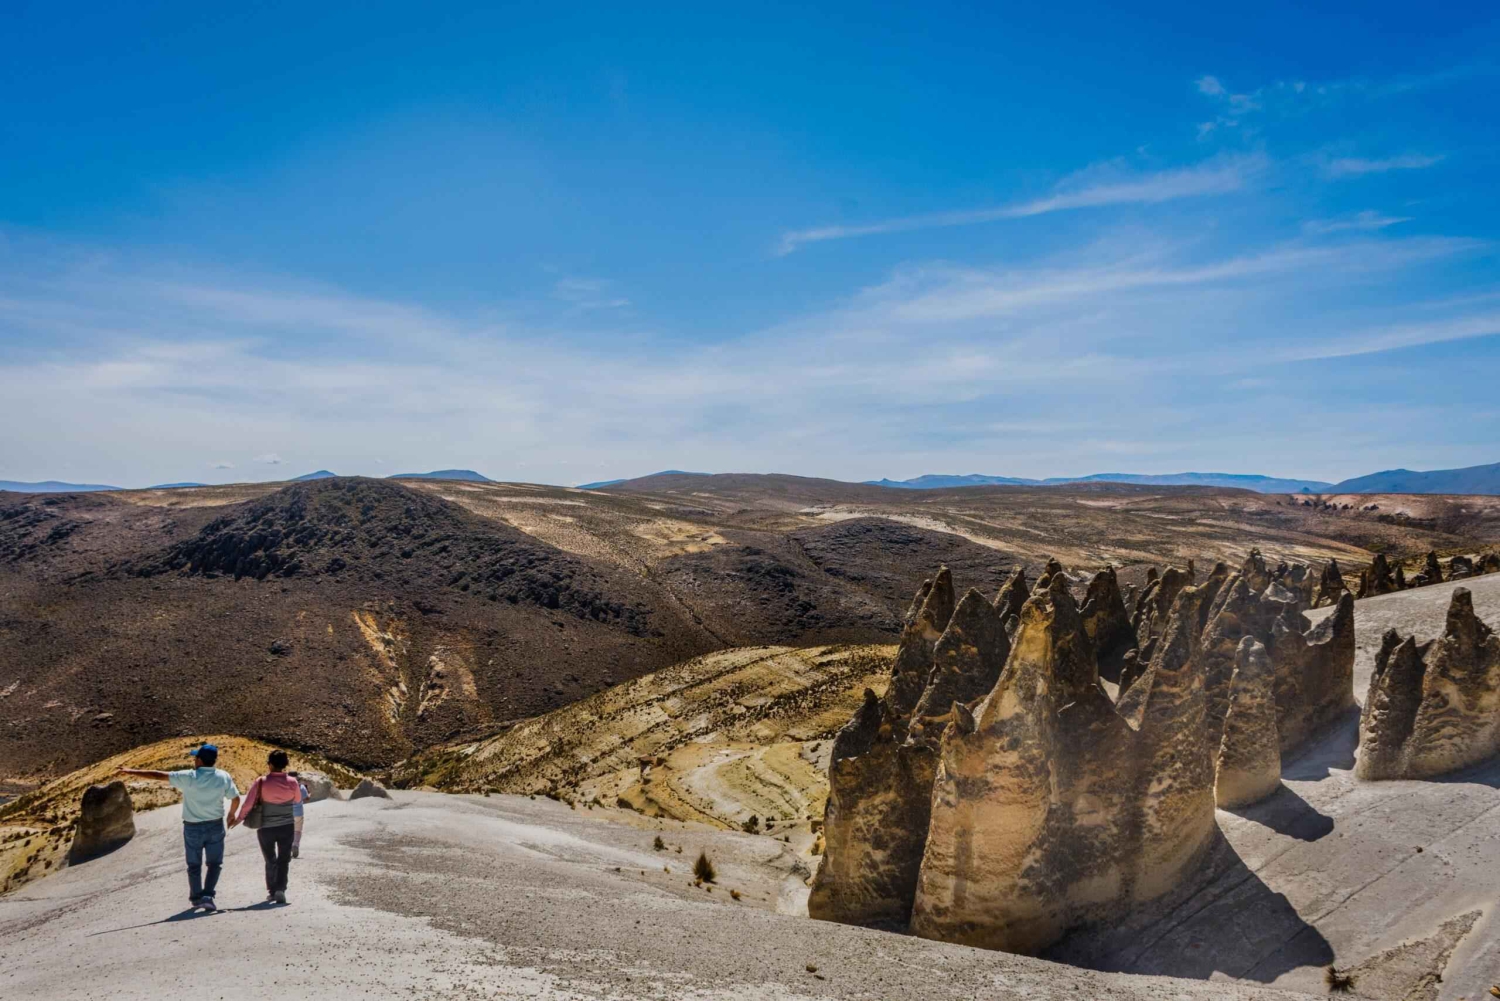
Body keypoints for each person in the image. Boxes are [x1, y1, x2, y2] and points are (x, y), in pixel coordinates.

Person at [119, 743, 241, 912]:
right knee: (214, 864)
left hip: (192, 828)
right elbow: (235, 798)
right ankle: (208, 896)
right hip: (215, 825)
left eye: (195, 757)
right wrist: (231, 814)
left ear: (199, 760)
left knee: (194, 865)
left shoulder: (189, 777)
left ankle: (197, 898)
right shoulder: (223, 776)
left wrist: (131, 771)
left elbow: (158, 775)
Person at [230, 749, 303, 904]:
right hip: (286, 826)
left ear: (270, 765)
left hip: (265, 827)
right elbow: (297, 800)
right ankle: (280, 890)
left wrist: (238, 819)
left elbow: (248, 804)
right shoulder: (292, 782)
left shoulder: (261, 782)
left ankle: (271, 891)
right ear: (285, 765)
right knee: (284, 859)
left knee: (270, 859)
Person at [287, 771, 311, 858]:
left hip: (287, 813)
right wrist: (308, 792)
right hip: (298, 813)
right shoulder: (301, 787)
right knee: (297, 831)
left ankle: (288, 848)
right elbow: (307, 798)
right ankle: (295, 845)